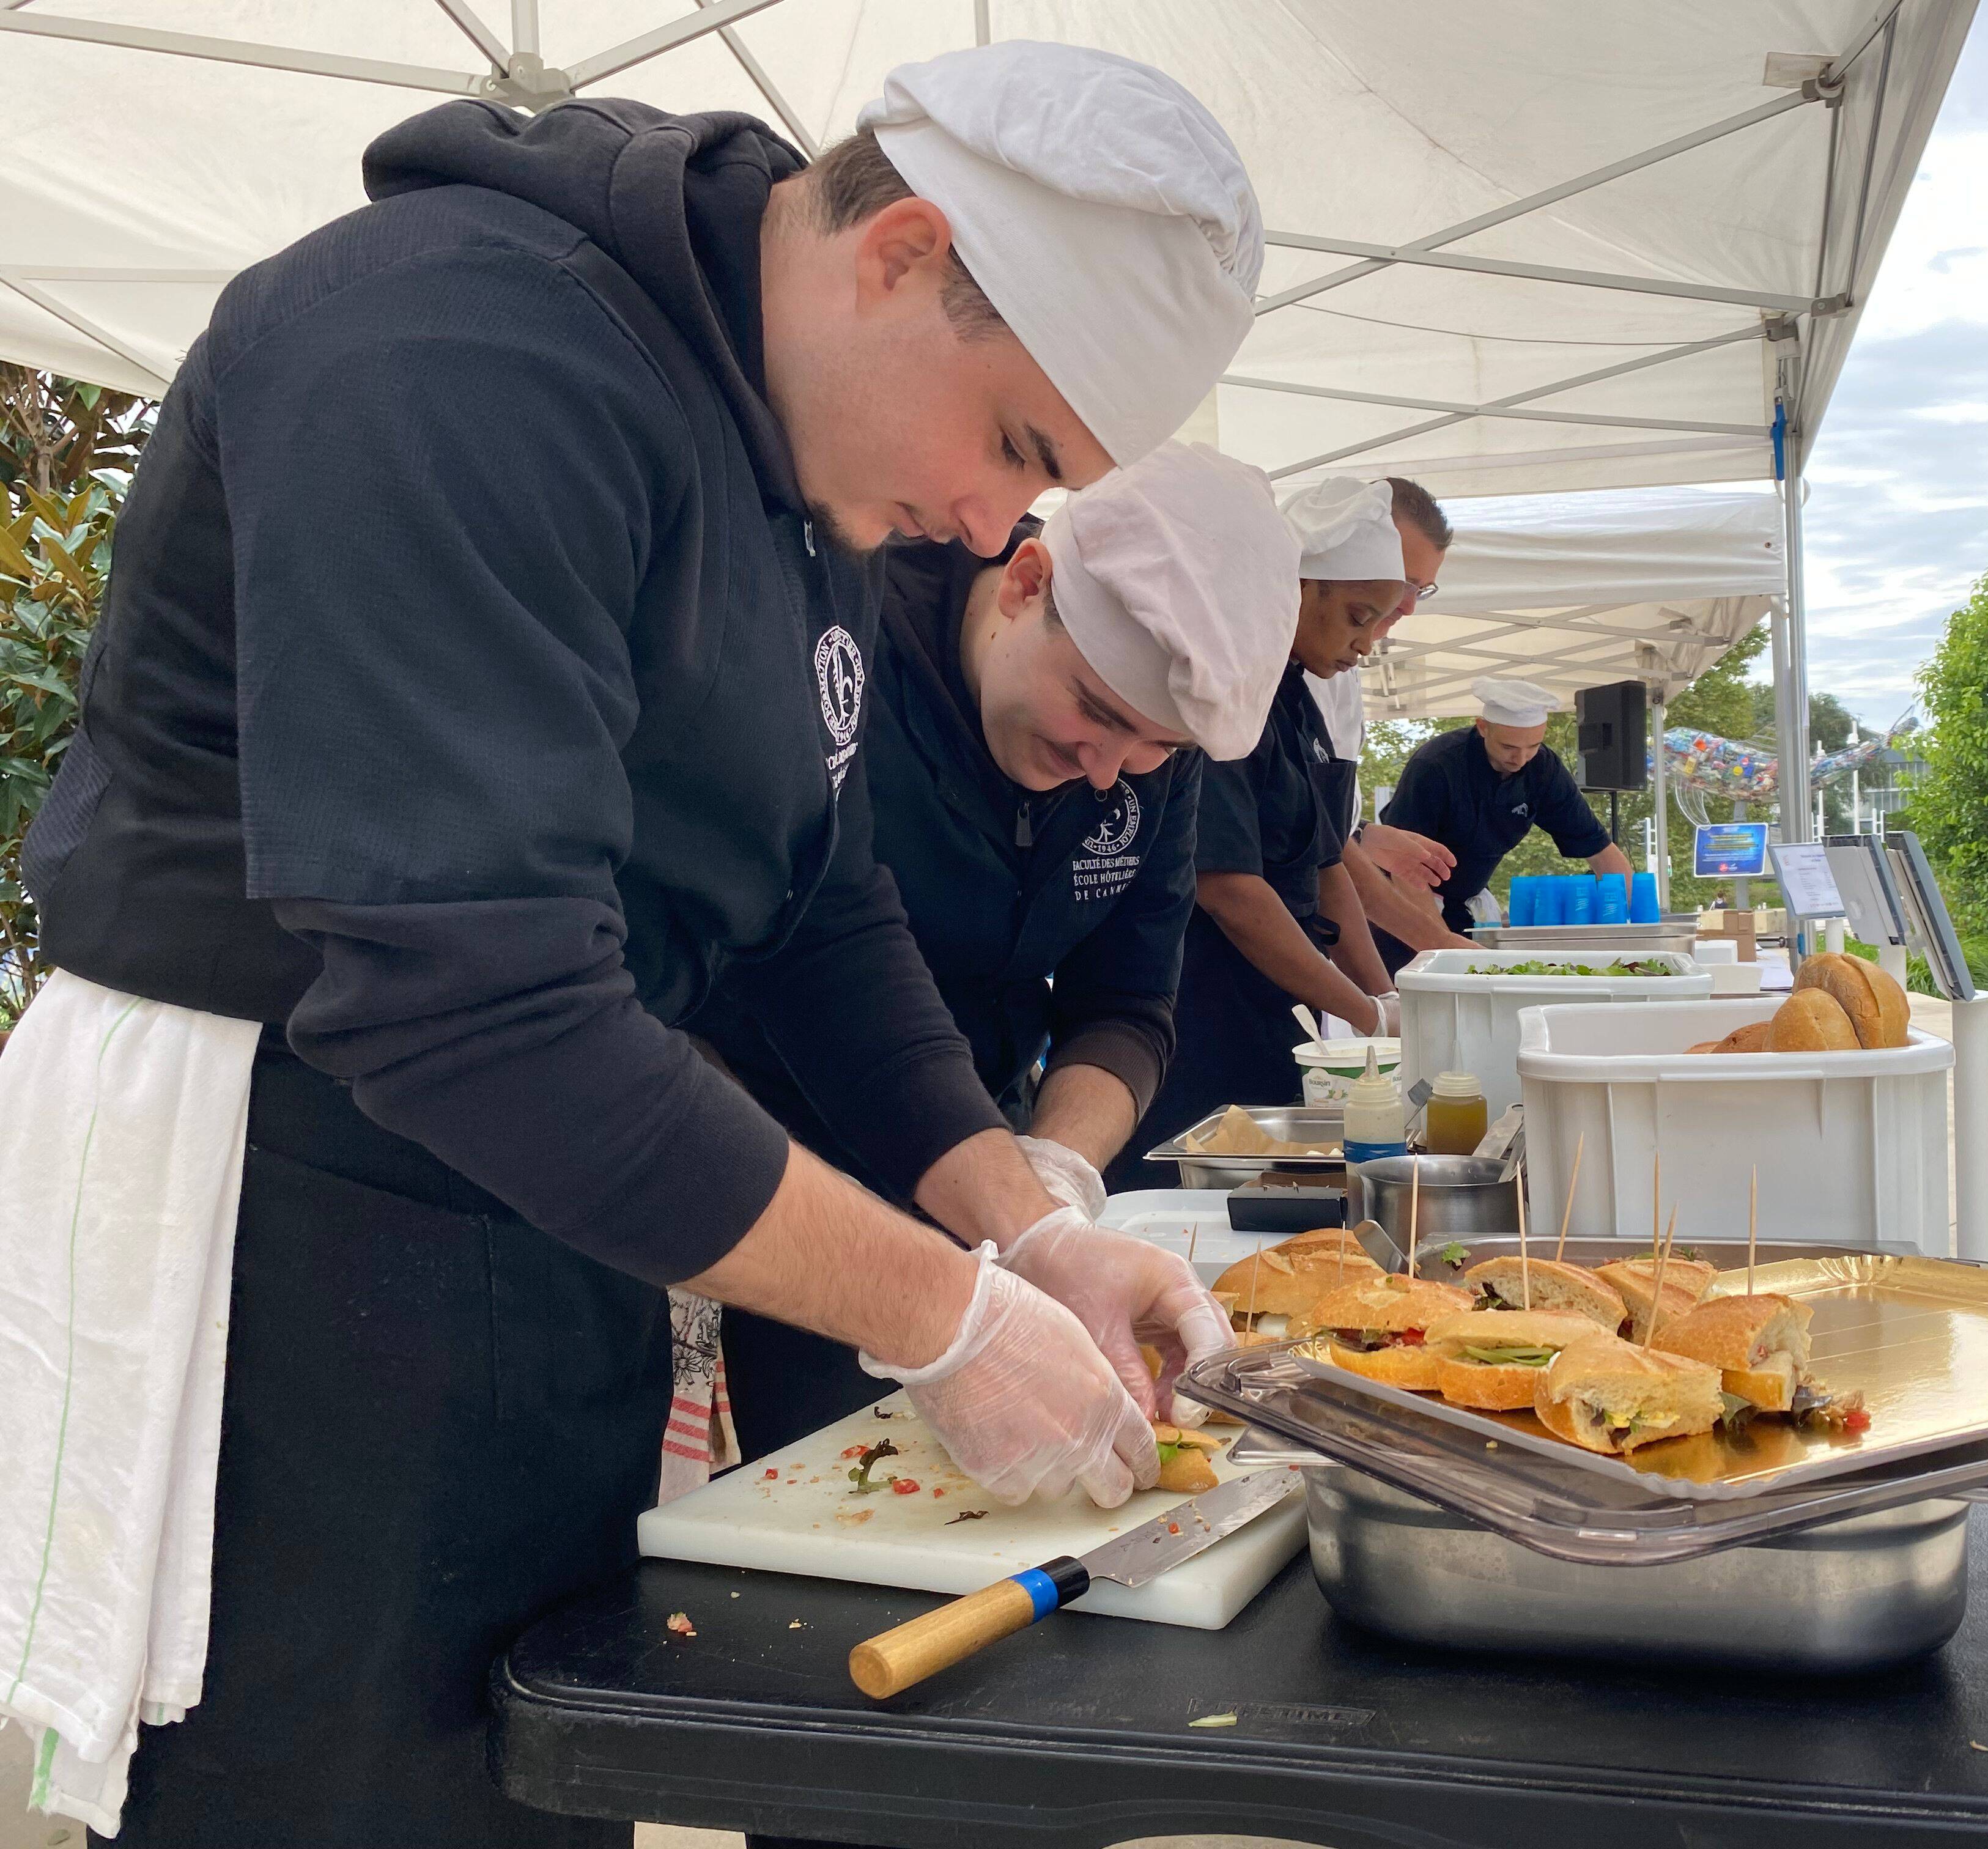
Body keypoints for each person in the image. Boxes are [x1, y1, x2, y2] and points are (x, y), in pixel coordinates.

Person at [0, 42, 1263, 1846]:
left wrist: (1017, 1215)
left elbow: (812, 906)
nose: (996, 529)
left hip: (541, 1228)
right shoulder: (451, 352)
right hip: (276, 1217)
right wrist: (940, 1319)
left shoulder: (790, 463)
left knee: (537, 1770)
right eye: (1014, 448)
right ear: (899, 250)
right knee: (325, 1788)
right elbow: (474, 1009)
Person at [720, 440, 1299, 1458]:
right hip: (763, 1164)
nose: (1105, 769)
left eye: (1154, 753)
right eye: (1097, 712)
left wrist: (1055, 1175)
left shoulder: (1139, 762)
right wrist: (1012, 1224)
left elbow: (1123, 1003)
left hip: (981, 1167)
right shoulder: (845, 642)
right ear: (1026, 585)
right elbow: (812, 959)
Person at [1108, 477, 1413, 1192]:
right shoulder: (1227, 693)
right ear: (1298, 588)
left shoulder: (1297, 700)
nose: (1366, 645)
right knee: (1185, 1209)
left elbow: (1327, 864)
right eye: (1358, 617)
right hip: (1201, 1012)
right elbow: (1231, 890)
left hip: (1282, 1014)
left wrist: (1385, 998)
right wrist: (1361, 1009)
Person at [1306, 476, 1480, 961]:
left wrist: (1363, 834)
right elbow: (1314, 857)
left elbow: (1323, 828)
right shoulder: (1294, 667)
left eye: (1420, 590)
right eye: (1401, 580)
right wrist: (1438, 948)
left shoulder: (1339, 663)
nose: (1405, 605)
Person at [1373, 676, 1635, 960]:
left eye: (1533, 746)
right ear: (1483, 727)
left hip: (1466, 902)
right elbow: (1405, 868)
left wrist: (1631, 934)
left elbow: (1601, 852)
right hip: (1401, 903)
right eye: (1509, 747)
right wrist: (1439, 947)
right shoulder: (1436, 766)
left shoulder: (1544, 769)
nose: (1520, 759)